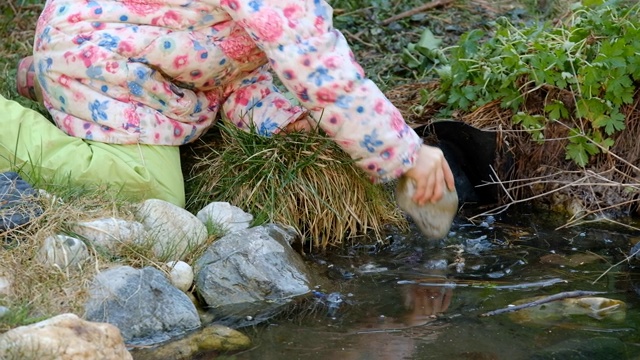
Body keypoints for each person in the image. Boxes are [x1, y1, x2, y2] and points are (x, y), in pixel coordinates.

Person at [4, 0, 454, 208]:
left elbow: (237, 56)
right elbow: (317, 66)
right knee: (151, 188)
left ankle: (50, 73)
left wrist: (282, 116)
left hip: (118, 38)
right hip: (101, 55)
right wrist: (403, 154)